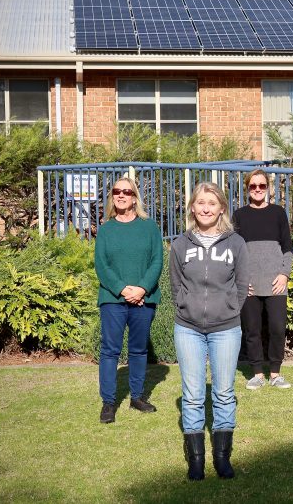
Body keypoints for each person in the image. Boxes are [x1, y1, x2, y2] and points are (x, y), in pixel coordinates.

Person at [170, 182, 250, 481]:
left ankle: (222, 458)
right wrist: (185, 306)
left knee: (224, 392)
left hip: (226, 328)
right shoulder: (180, 244)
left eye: (212, 203)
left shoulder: (236, 243)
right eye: (201, 203)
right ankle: (196, 460)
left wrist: (230, 309)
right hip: (188, 328)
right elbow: (176, 284)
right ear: (193, 207)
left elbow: (242, 286)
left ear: (221, 209)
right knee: (192, 395)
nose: (206, 208)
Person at [94, 177, 163, 425]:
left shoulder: (149, 227)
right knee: (110, 350)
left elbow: (157, 261)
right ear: (113, 196)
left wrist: (142, 289)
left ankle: (137, 397)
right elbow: (101, 265)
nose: (121, 195)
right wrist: (124, 290)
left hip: (144, 300)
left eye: (126, 191)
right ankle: (109, 402)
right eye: (116, 191)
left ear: (135, 197)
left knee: (138, 349)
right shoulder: (106, 229)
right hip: (113, 299)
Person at [232, 169, 293, 391]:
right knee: (252, 329)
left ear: (268, 188)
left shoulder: (278, 213)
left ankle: (275, 373)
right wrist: (241, 281)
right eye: (253, 186)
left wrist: (284, 274)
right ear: (247, 188)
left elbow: (288, 247)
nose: (257, 190)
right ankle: (258, 373)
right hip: (249, 284)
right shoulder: (239, 216)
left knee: (277, 328)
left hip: (276, 282)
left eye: (262, 186)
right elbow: (235, 252)